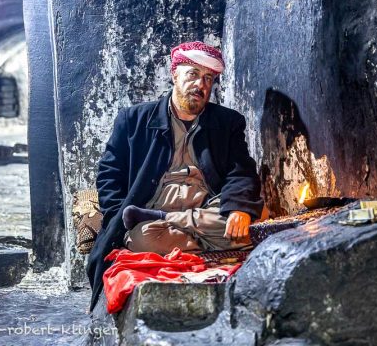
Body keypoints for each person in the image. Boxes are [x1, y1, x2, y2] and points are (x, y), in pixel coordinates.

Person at [86, 41, 263, 311]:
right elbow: (110, 174)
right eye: (192, 74)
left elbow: (242, 171)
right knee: (144, 238)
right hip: (151, 212)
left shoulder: (227, 123)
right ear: (175, 75)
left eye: (208, 79)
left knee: (256, 221)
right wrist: (115, 215)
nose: (200, 85)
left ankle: (172, 225)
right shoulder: (134, 119)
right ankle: (192, 236)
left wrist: (239, 207)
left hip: (204, 207)